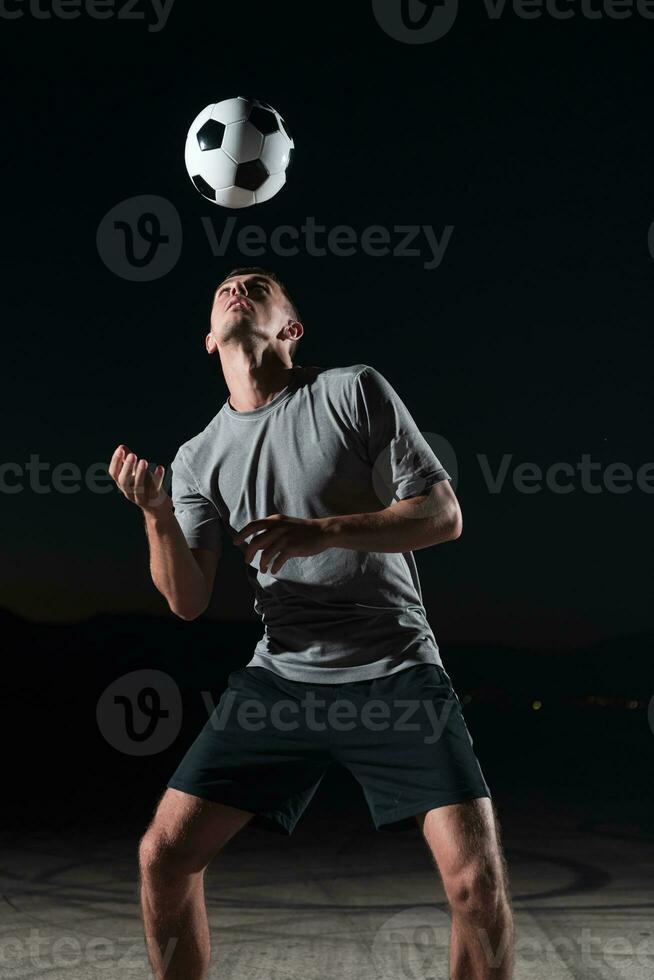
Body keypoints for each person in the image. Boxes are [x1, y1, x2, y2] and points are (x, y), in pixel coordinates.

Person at [108, 267, 514, 980]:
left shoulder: (351, 390)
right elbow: (187, 600)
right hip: (283, 682)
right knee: (164, 856)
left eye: (259, 285)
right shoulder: (200, 457)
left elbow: (442, 515)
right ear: (209, 339)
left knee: (474, 882)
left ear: (290, 330)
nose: (238, 287)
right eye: (227, 286)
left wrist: (324, 530)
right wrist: (156, 516)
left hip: (394, 669)